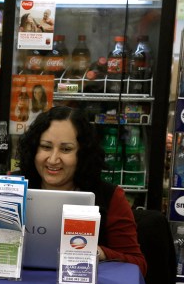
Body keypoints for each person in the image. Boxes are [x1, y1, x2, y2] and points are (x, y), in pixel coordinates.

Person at [16, 106, 146, 275]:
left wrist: (100, 253)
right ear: (34, 149)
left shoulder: (110, 197)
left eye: (66, 149)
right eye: (46, 147)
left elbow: (138, 265)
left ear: (83, 154)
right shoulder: (12, 186)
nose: (53, 159)